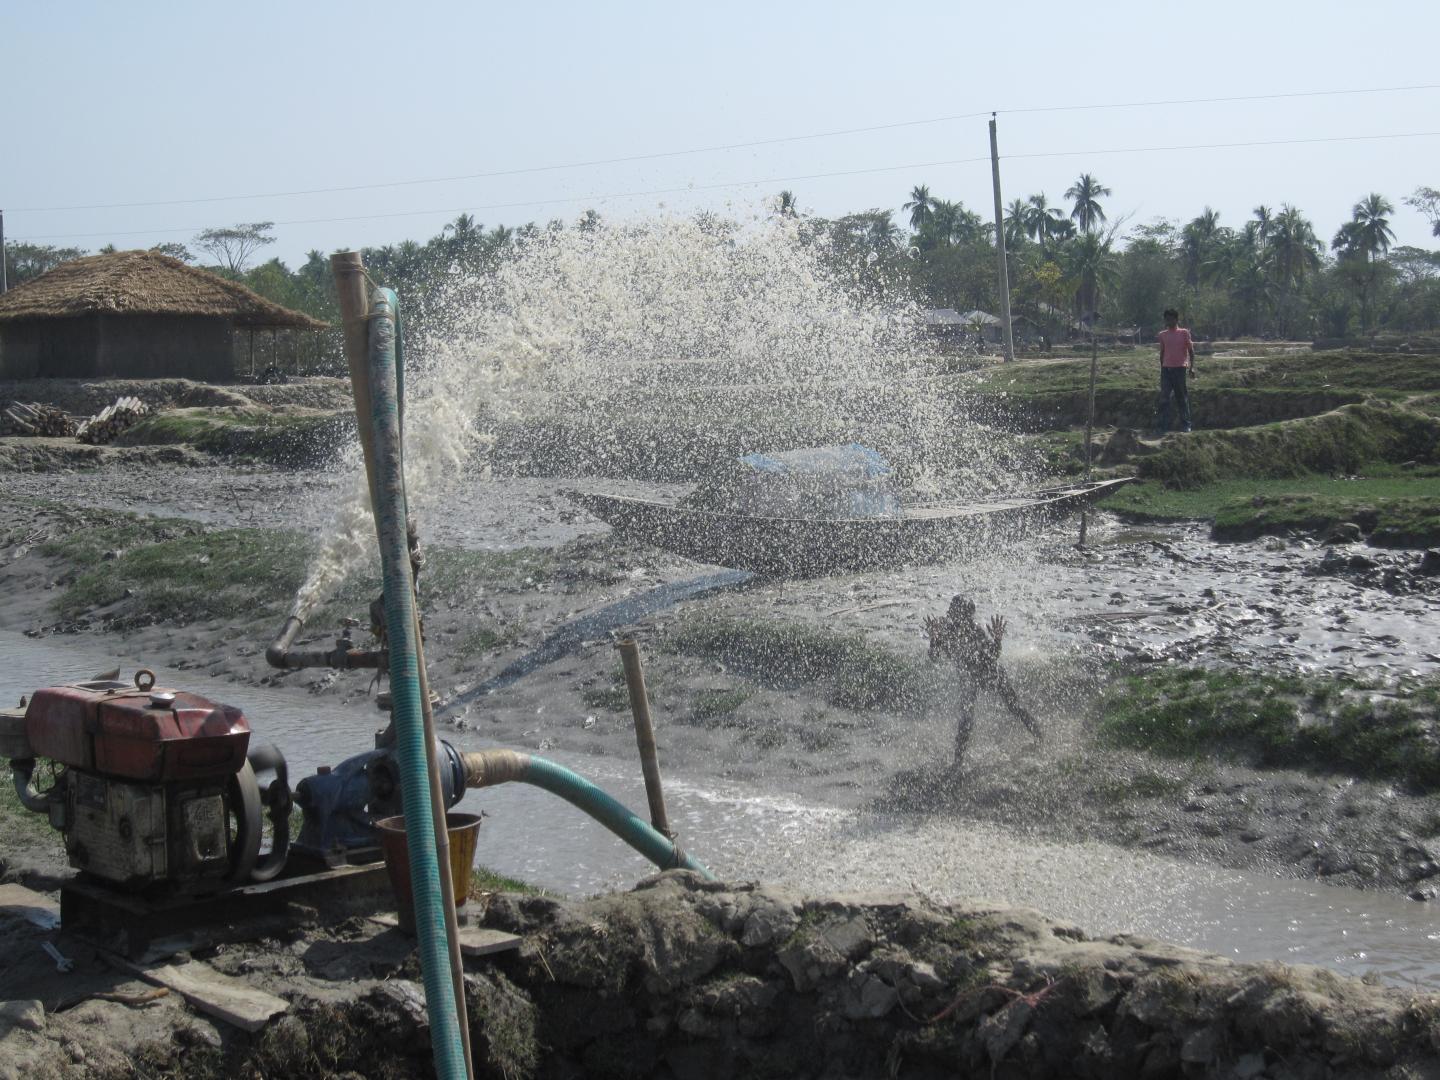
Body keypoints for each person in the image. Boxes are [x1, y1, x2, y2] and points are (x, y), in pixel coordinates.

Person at [923, 595, 1043, 768]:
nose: (949, 611)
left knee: (1015, 707)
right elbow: (934, 658)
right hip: (968, 678)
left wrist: (997, 640)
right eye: (950, 608)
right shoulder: (945, 630)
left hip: (991, 675)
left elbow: (992, 656)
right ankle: (957, 763)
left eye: (953, 609)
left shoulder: (976, 630)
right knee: (966, 719)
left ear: (965, 615)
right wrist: (933, 638)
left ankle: (1040, 738)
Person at [1155, 307, 1195, 434]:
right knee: (1164, 398)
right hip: (1166, 370)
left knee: (1181, 398)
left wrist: (1191, 368)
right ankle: (1162, 426)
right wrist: (1162, 368)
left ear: (1176, 319)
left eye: (1171, 319)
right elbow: (1162, 352)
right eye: (1166, 319)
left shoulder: (1184, 333)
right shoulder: (1162, 335)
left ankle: (1186, 424)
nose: (1168, 321)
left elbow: (1191, 351)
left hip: (1180, 369)